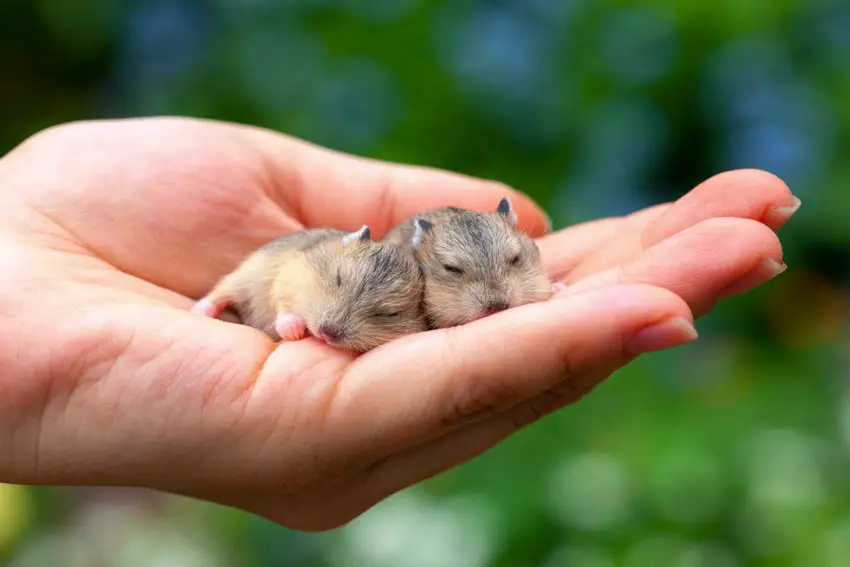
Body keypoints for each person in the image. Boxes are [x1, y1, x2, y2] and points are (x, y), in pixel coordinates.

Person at [0, 117, 796, 531]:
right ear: (423, 264)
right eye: (457, 280)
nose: (491, 300)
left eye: (515, 271)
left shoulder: (475, 273)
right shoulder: (347, 265)